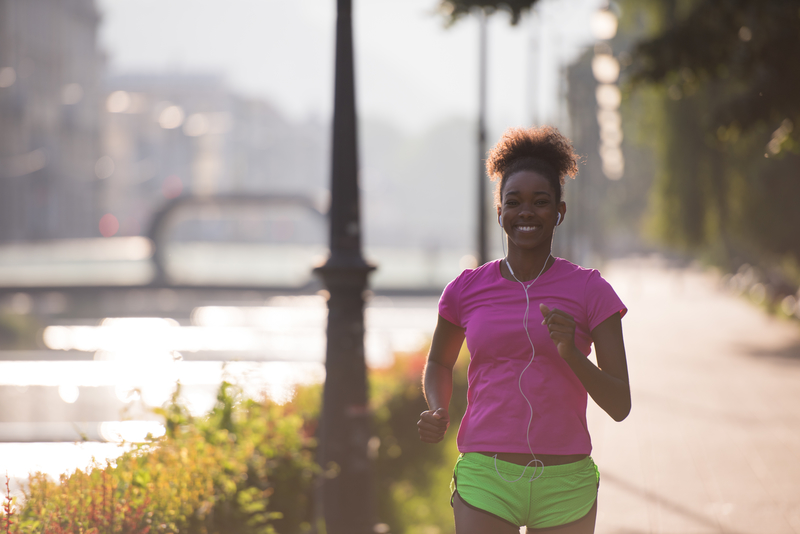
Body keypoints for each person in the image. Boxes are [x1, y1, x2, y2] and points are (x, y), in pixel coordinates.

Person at [417, 126, 630, 534]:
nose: (525, 212)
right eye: (513, 202)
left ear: (559, 212)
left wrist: (571, 354)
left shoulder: (592, 291)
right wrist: (437, 406)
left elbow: (620, 404)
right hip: (486, 477)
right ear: (499, 211)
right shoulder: (465, 289)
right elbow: (439, 363)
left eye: (540, 202)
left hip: (566, 484)